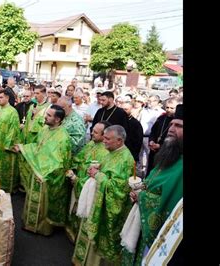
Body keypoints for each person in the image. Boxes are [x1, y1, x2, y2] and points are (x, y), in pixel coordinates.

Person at [121, 104, 183, 265]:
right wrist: (140, 190)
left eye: (179, 126)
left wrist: (143, 197)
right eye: (171, 124)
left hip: (162, 237)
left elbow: (175, 206)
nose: (171, 128)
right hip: (143, 222)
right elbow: (153, 181)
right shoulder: (171, 154)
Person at [72, 125, 134, 266]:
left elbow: (119, 190)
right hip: (96, 200)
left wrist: (98, 175)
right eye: (104, 137)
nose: (104, 141)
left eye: (107, 138)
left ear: (119, 141)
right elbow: (107, 171)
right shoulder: (112, 151)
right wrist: (97, 168)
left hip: (106, 209)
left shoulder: (126, 159)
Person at [13, 105, 72, 236]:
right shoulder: (45, 129)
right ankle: (29, 224)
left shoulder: (63, 138)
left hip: (47, 176)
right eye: (47, 114)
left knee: (44, 204)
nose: (45, 117)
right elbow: (37, 147)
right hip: (37, 170)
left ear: (57, 120)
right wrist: (23, 148)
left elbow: (60, 163)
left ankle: (42, 228)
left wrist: (45, 174)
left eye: (49, 115)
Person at [65, 121, 111, 242]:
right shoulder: (91, 143)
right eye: (92, 130)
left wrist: (77, 180)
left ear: (104, 135)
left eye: (95, 132)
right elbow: (80, 157)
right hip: (78, 177)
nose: (91, 133)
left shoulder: (105, 152)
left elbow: (94, 174)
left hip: (85, 183)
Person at [0, 89, 21, 193]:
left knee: (3, 168)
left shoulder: (12, 112)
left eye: (1, 97)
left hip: (4, 146)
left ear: (7, 98)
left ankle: (4, 189)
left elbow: (14, 130)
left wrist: (8, 145)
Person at [146, 98, 179, 176]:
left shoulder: (177, 122)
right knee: (150, 170)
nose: (169, 110)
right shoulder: (161, 118)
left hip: (167, 152)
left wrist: (160, 146)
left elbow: (176, 139)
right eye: (167, 107)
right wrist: (151, 141)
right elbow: (153, 131)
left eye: (172, 108)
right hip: (154, 151)